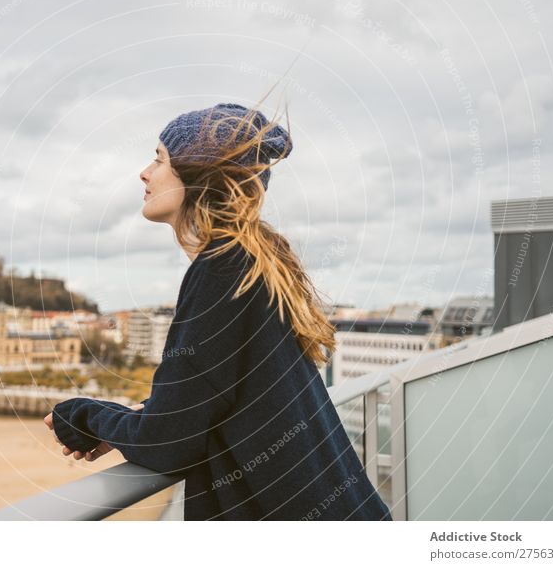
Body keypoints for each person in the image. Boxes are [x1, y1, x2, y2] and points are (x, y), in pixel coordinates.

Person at [43, 101, 392, 521]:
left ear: (197, 174)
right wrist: (129, 424)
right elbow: (205, 400)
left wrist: (81, 414)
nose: (145, 172)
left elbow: (167, 442)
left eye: (159, 159)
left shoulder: (222, 270)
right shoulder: (251, 262)